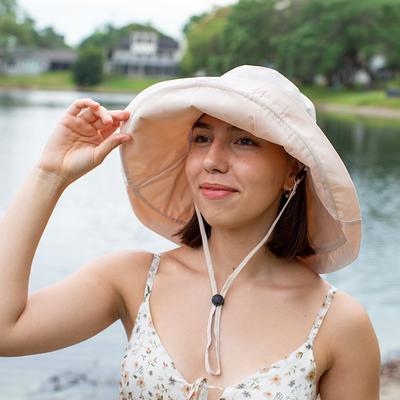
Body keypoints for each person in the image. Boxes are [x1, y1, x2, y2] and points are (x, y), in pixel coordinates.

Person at [0, 66, 380, 400]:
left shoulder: (338, 323)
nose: (213, 161)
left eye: (244, 140)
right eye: (201, 138)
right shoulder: (133, 279)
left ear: (292, 171)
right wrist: (50, 175)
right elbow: (6, 332)